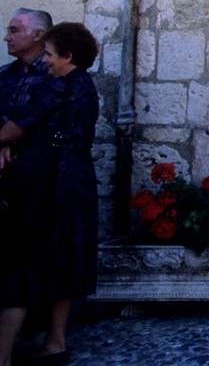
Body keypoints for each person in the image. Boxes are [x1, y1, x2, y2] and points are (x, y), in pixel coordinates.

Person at [0, 22, 100, 366]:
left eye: (50, 54)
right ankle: (55, 343)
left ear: (67, 56)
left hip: (48, 183)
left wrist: (5, 142)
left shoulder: (56, 87)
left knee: (22, 263)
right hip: (75, 182)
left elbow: (13, 128)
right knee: (63, 260)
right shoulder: (85, 84)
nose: (44, 60)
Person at [0, 9, 51, 128]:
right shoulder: (4, 73)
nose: (6, 38)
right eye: (8, 31)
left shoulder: (55, 74)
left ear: (37, 35)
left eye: (14, 31)